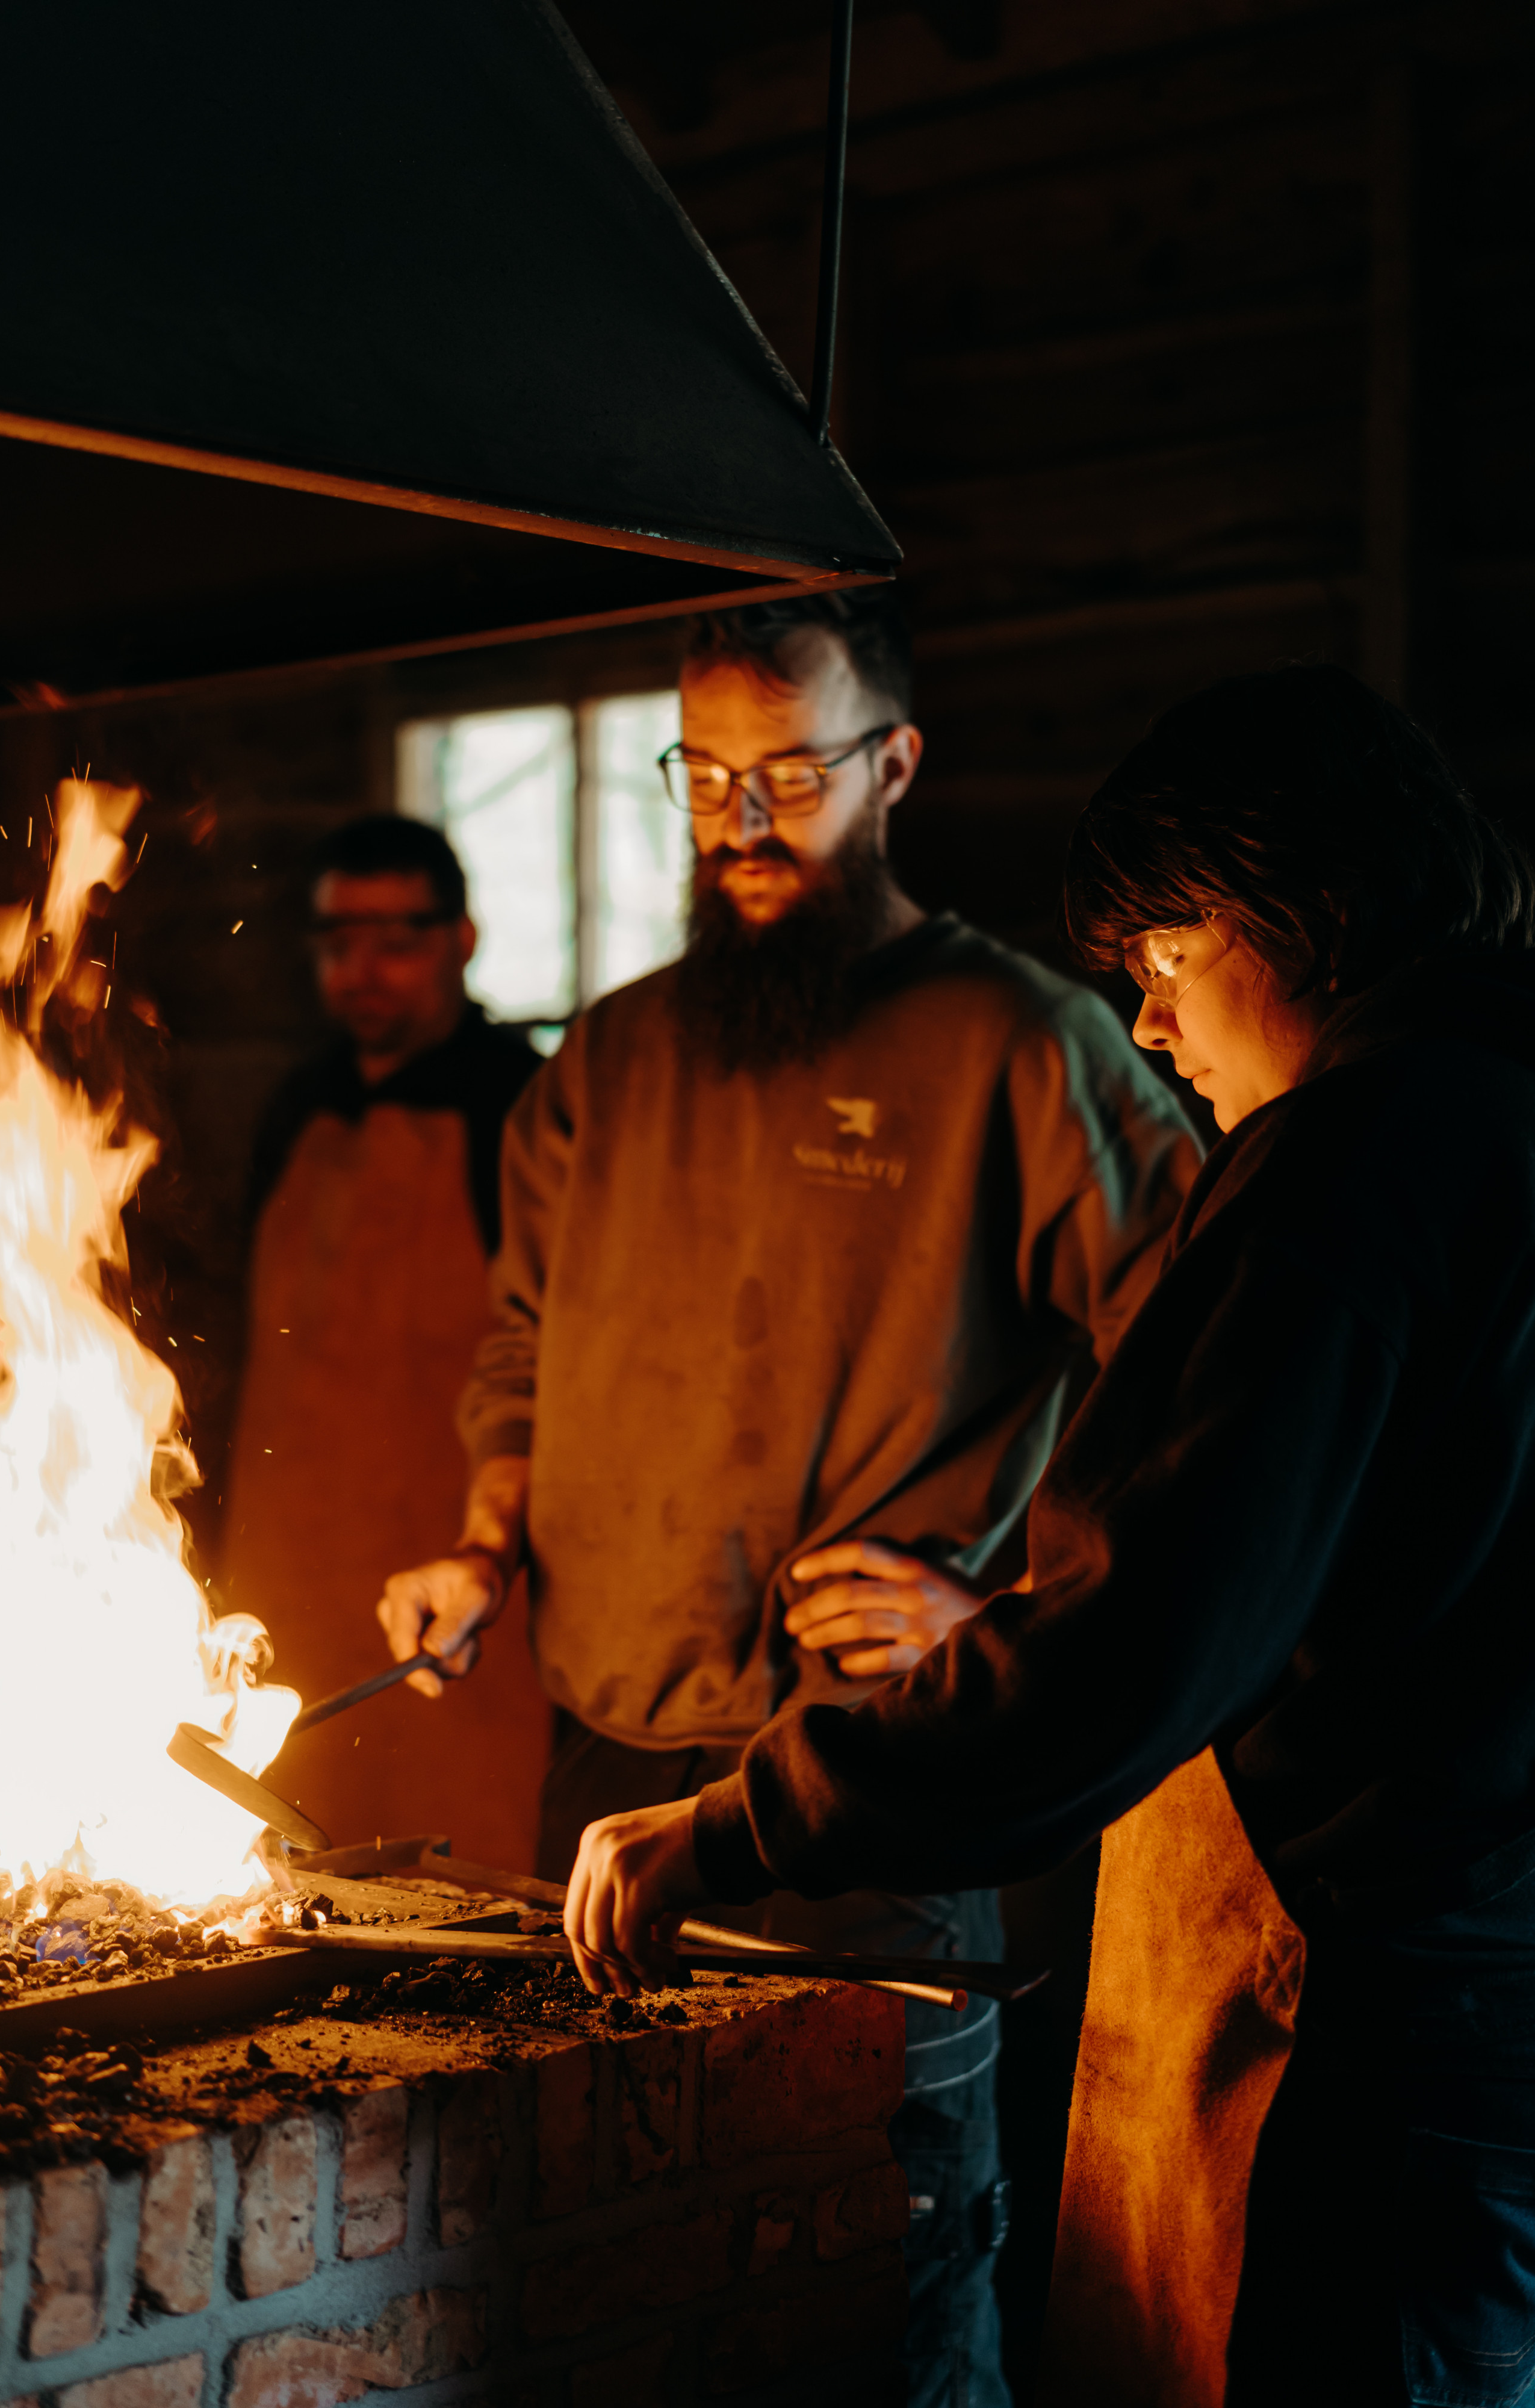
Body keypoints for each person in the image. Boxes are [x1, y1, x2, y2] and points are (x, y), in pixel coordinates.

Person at [560, 662, 1535, 2407]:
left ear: (1282, 915)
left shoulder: (1349, 1169)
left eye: (1164, 960)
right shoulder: (1503, 1106)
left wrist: (746, 1821)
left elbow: (1137, 1634)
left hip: (1395, 2024)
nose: (1154, 1027)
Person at [377, 591, 1202, 2407]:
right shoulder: (605, 1058)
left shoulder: (1026, 1048)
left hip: (873, 1791)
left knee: (873, 2283)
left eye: (794, 776)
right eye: (709, 779)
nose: (745, 825)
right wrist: (481, 1537)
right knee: (611, 2247)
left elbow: (1204, 1385)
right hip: (602, 1756)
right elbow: (521, 1340)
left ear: (891, 765)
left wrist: (992, 1612)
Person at [224, 816, 545, 1863]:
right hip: (289, 1572)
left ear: (462, 938)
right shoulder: (295, 1108)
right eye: (336, 940)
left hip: (455, 1589)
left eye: (394, 938)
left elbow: (551, 1356)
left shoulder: (521, 1104)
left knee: (466, 1864)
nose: (361, 969)